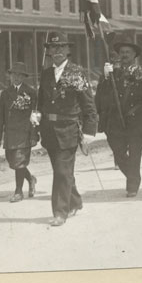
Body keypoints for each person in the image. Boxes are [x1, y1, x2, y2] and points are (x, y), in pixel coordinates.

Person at [31, 32, 98, 226]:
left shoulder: (77, 72)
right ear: (49, 51)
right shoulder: (45, 74)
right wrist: (36, 115)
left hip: (69, 129)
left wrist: (89, 132)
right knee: (62, 170)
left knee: (61, 171)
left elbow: (88, 105)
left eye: (61, 47)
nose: (57, 51)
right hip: (49, 130)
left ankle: (60, 212)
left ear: (68, 50)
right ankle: (75, 200)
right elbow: (42, 102)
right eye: (53, 48)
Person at [96, 38, 142, 198]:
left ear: (134, 55)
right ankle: (134, 176)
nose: (124, 55)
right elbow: (101, 96)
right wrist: (105, 77)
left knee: (135, 153)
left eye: (128, 52)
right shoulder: (112, 73)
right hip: (116, 120)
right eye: (121, 52)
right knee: (118, 152)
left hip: (136, 119)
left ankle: (132, 185)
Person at [0, 62, 38, 202]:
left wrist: (34, 134)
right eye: (14, 74)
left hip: (25, 133)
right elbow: (1, 116)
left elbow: (36, 115)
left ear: (24, 77)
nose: (16, 77)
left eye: (20, 75)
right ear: (10, 76)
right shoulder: (5, 93)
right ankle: (31, 179)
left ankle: (18, 191)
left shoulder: (31, 92)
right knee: (12, 161)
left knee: (19, 161)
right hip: (10, 134)